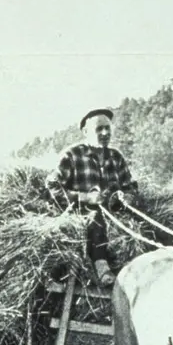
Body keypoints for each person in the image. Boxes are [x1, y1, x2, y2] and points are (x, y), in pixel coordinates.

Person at [45, 107, 138, 286]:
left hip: (113, 216)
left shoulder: (116, 157)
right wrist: (86, 197)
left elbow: (130, 187)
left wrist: (126, 198)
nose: (104, 133)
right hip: (80, 215)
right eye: (99, 129)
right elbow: (52, 186)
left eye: (107, 128)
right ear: (86, 132)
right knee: (95, 217)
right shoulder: (72, 155)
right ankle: (101, 266)